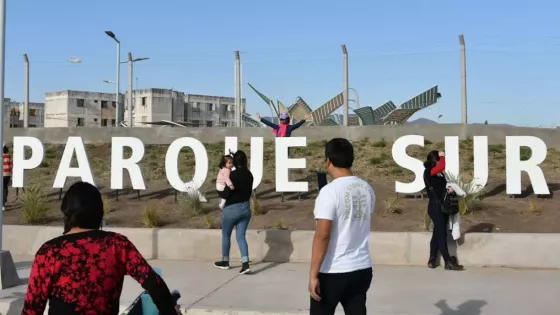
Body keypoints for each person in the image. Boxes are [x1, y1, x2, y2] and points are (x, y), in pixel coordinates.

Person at [21, 181, 180, 315]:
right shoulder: (117, 244)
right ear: (100, 212)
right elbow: (154, 283)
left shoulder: (50, 252)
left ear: (66, 212)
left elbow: (33, 308)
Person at [308, 138, 376, 315]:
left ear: (328, 161)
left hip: (333, 270)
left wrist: (313, 275)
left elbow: (323, 235)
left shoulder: (329, 192)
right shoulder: (367, 189)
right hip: (362, 269)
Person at [214, 150, 254, 275]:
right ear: (245, 161)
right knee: (241, 236)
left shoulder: (232, 175)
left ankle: (225, 261)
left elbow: (226, 193)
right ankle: (245, 263)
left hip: (232, 209)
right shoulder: (249, 175)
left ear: (235, 162)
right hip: (246, 208)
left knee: (226, 235)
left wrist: (219, 193)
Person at [423, 150, 464, 271]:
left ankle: (432, 259)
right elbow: (442, 165)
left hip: (442, 207)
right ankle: (448, 261)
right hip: (436, 207)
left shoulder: (440, 174)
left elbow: (441, 188)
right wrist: (442, 156)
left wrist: (449, 189)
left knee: (437, 233)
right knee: (442, 234)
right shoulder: (429, 171)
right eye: (438, 159)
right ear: (435, 160)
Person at [2, 145, 12, 211]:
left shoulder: (1, 156)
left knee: (2, 189)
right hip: (8, 174)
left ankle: (2, 204)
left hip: (2, 174)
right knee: (5, 187)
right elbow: (11, 165)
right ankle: (5, 200)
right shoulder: (9, 156)